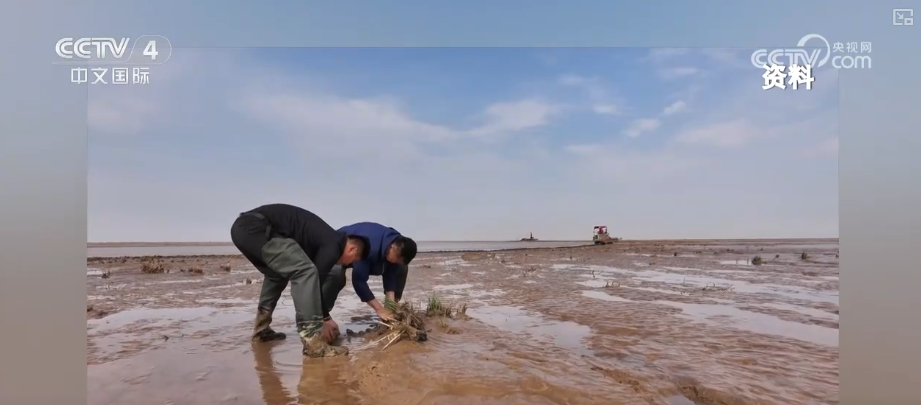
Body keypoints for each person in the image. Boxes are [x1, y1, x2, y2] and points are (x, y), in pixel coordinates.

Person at [230, 203, 369, 357]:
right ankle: (313, 343)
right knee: (305, 271)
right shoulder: (334, 244)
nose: (349, 264)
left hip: (241, 230)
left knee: (276, 275)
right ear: (352, 249)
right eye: (353, 260)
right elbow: (315, 281)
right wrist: (325, 319)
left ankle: (261, 330)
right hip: (256, 228)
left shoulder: (324, 240)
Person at [324, 222, 417, 321]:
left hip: (364, 253)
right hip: (340, 249)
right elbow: (359, 281)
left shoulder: (397, 244)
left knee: (402, 268)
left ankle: (392, 309)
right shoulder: (369, 249)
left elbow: (391, 275)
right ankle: (322, 315)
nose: (396, 262)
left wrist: (390, 305)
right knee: (336, 274)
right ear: (392, 247)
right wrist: (379, 309)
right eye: (397, 259)